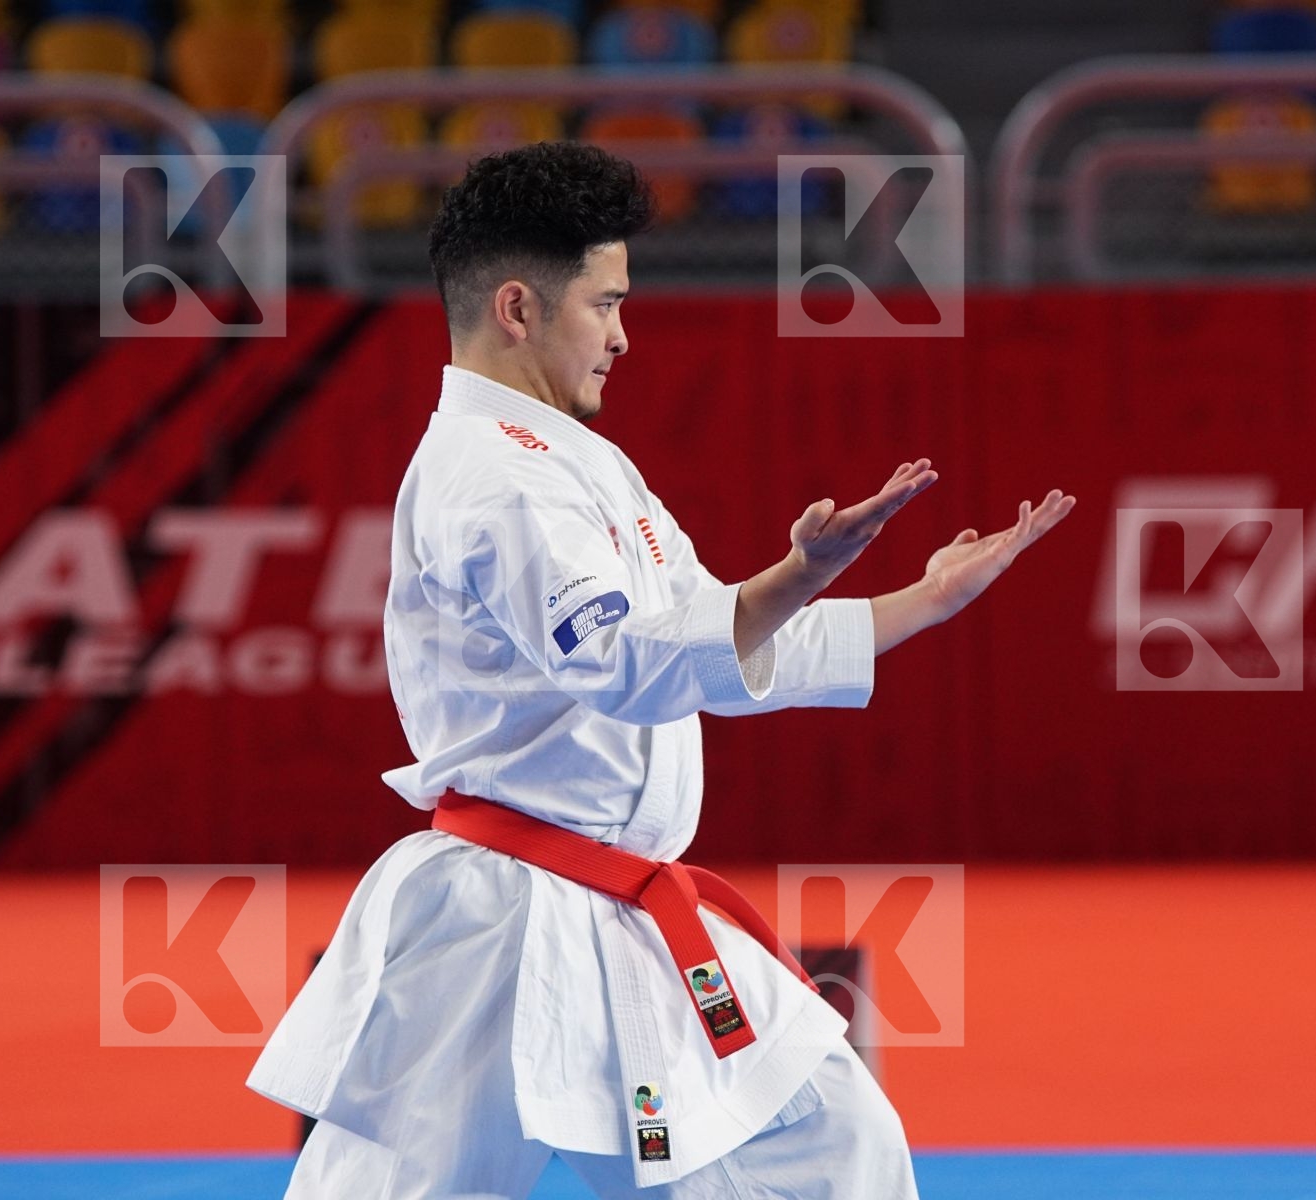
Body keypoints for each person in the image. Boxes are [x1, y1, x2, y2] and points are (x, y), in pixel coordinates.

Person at [247, 141, 1075, 1199]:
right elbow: (628, 666)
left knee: (828, 1142)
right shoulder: (493, 479)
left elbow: (711, 653)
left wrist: (922, 599)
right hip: (499, 925)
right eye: (606, 303)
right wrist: (795, 572)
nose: (625, 335)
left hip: (615, 910)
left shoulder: (577, 462)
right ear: (518, 307)